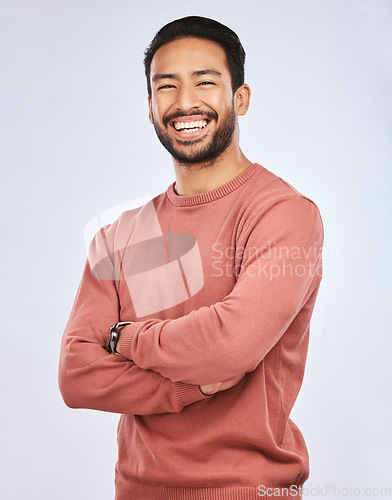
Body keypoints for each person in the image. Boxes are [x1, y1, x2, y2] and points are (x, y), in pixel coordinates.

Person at [58, 15, 324, 500]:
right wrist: (183, 390)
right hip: (136, 490)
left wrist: (124, 338)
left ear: (239, 98)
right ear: (151, 105)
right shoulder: (118, 234)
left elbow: (229, 347)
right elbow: (76, 375)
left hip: (249, 490)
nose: (185, 102)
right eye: (167, 86)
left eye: (205, 81)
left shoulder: (284, 214)